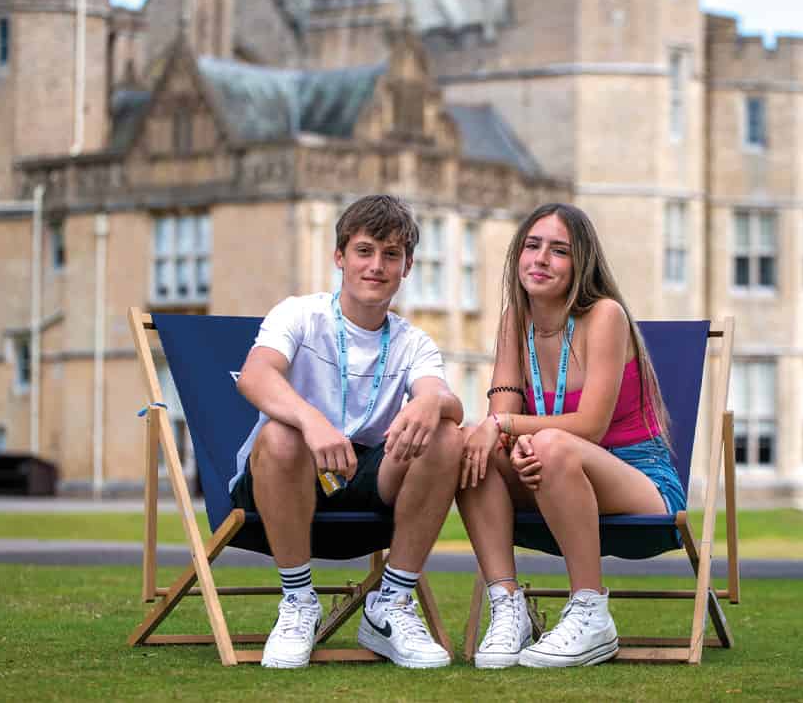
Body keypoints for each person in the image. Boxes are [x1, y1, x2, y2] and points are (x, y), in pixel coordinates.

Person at [233, 194, 463, 669]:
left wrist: (431, 401)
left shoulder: (412, 341)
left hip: (366, 480)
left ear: (407, 266)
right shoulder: (299, 314)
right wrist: (312, 421)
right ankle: (298, 603)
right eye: (364, 250)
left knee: (445, 434)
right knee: (281, 435)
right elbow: (256, 375)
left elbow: (450, 402)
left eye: (391, 255)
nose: (376, 266)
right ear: (339, 257)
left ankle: (390, 606)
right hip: (285, 478)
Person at [457, 202, 686, 668]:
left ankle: (590, 611)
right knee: (469, 444)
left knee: (550, 443)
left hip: (638, 478)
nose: (541, 259)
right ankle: (508, 606)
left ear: (581, 264)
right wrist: (501, 434)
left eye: (558, 251)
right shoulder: (513, 322)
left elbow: (589, 428)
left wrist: (507, 428)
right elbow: (500, 417)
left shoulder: (605, 316)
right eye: (532, 245)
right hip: (549, 472)